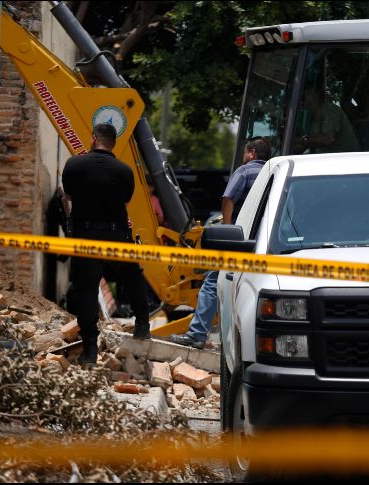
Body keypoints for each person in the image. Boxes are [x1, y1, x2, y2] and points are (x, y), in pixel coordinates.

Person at [62, 123, 151, 365]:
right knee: (132, 275)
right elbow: (125, 199)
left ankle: (90, 349)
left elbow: (68, 194)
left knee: (87, 291)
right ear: (114, 143)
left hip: (86, 236)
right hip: (116, 235)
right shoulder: (124, 171)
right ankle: (143, 324)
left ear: (93, 139)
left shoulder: (74, 165)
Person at [170, 138, 270, 348]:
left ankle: (197, 334)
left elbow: (227, 199)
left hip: (241, 242)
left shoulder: (244, 172)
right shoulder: (273, 172)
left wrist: (228, 228)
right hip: (268, 243)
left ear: (252, 153)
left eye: (245, 152)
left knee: (212, 283)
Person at [294, 86, 359, 154]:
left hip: (345, 157)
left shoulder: (329, 109)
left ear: (316, 96)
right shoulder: (313, 117)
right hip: (328, 155)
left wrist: (300, 141)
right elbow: (313, 142)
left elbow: (327, 139)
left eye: (304, 95)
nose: (301, 99)